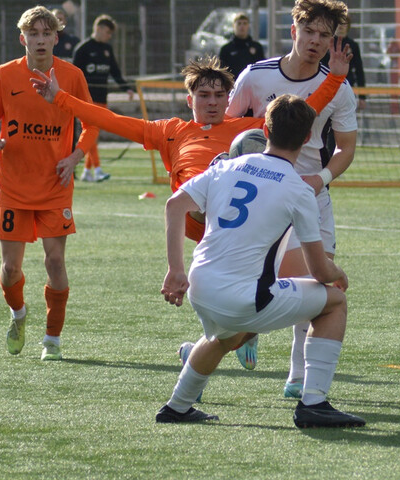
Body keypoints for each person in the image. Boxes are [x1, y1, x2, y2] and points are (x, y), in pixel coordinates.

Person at [29, 44, 351, 372]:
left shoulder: (247, 129)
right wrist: (60, 98)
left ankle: (280, 364)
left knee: (302, 286)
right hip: (206, 229)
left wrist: (335, 77)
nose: (211, 102)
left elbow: (301, 112)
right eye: (203, 95)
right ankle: (244, 341)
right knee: (239, 309)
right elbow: (111, 120)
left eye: (218, 95)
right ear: (189, 100)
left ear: (229, 99)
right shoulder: (171, 131)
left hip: (251, 228)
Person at [156, 94, 365, 429]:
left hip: (199, 286)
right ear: (309, 138)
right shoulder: (298, 189)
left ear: (265, 131)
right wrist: (339, 274)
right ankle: (314, 402)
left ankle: (177, 406)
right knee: (334, 302)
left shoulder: (225, 166)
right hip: (242, 297)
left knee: (229, 336)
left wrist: (175, 271)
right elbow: (319, 270)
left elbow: (174, 205)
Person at [225, 0, 358, 400]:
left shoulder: (337, 86)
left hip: (309, 194)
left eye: (325, 33)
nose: (315, 40)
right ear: (293, 30)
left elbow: (346, 149)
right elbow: (231, 133)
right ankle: (244, 332)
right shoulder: (255, 76)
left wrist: (320, 179)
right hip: (262, 197)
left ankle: (298, 376)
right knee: (259, 279)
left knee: (313, 284)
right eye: (309, 30)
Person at [0, 5, 99, 360]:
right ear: (23, 39)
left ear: (56, 38)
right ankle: (18, 314)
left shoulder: (72, 76)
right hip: (13, 184)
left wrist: (75, 156)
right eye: (34, 34)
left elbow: (90, 123)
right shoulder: (4, 75)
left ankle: (53, 340)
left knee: (55, 262)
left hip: (54, 183)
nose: (40, 40)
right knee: (11, 268)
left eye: (47, 34)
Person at [72, 14, 135, 182]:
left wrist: (126, 88)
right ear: (98, 28)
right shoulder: (83, 49)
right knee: (91, 132)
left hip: (102, 98)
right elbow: (74, 75)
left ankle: (87, 171)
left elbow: (114, 71)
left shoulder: (107, 49)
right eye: (107, 32)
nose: (109, 36)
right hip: (87, 99)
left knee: (94, 135)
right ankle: (97, 169)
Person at [217, 12, 265, 80]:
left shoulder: (257, 47)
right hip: (233, 86)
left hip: (252, 86)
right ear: (234, 26)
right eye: (239, 23)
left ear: (248, 26)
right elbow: (222, 73)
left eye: (244, 23)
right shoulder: (226, 49)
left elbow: (262, 69)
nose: (242, 26)